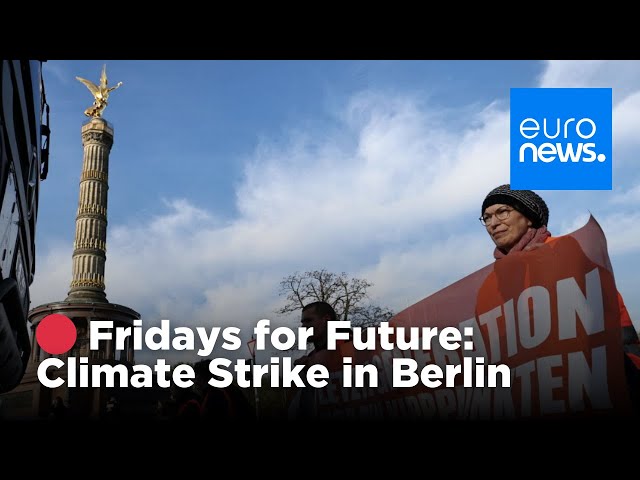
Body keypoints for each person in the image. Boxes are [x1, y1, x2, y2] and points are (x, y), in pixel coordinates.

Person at [479, 183, 640, 413]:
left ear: (529, 217)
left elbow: (619, 327)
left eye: (502, 212)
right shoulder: (485, 286)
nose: (493, 223)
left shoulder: (570, 254)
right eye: (486, 217)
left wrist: (631, 373)